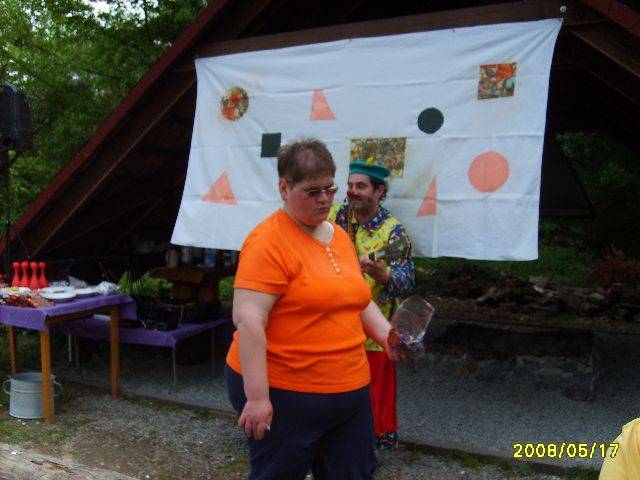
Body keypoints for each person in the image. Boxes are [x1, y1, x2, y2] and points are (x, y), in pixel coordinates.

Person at [225, 139, 400, 480]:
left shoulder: (339, 236)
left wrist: (387, 336)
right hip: (287, 392)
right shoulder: (267, 242)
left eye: (329, 189)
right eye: (312, 191)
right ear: (284, 188)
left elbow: (357, 298)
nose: (324, 199)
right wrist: (258, 398)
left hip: (350, 392)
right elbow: (249, 320)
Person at [329, 158, 415, 450]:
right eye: (350, 185)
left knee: (372, 396)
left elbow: (407, 281)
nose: (352, 191)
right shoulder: (335, 217)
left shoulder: (393, 232)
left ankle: (366, 452)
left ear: (379, 191)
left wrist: (383, 275)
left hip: (374, 333)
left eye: (361, 186)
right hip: (335, 326)